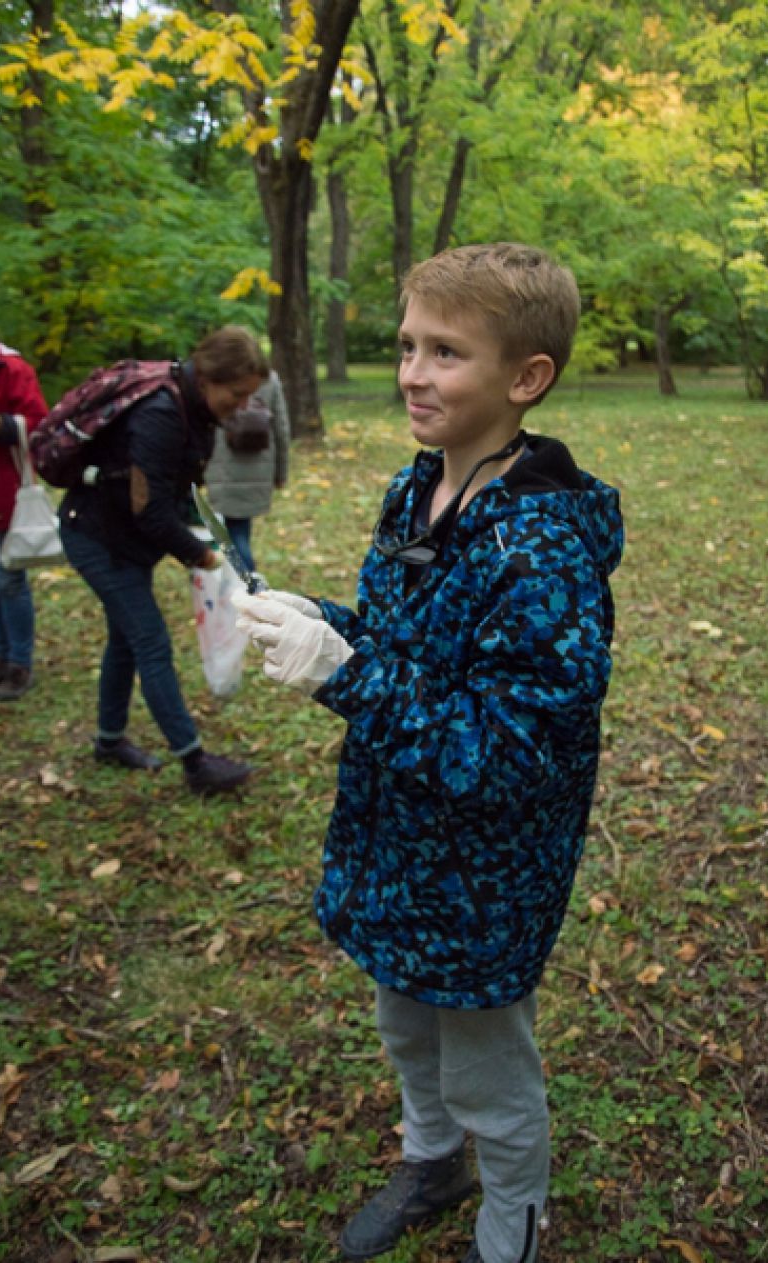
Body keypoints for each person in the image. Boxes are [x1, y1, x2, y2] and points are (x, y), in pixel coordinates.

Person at [233, 242, 624, 1263]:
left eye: (446, 352)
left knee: (489, 1070)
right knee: (406, 1025)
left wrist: (343, 673)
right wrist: (317, 621)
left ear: (524, 378)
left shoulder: (543, 552)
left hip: (485, 877)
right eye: (407, 345)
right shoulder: (419, 489)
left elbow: (509, 753)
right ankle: (432, 1159)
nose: (411, 372)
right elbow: (407, 650)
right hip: (395, 842)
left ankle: (512, 1222)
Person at [59, 325, 264, 795]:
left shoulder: (193, 410)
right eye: (236, 394)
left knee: (127, 639)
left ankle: (109, 741)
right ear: (210, 378)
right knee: (150, 642)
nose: (241, 405)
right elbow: (148, 507)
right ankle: (195, 764)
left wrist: (199, 533)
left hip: (127, 540)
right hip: (97, 537)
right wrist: (199, 555)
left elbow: (174, 490)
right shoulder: (161, 414)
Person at [0, 316, 49, 702]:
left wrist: (2, 425)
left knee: (6, 575)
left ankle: (20, 663)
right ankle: (1, 656)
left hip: (4, 488)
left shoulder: (11, 369)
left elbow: (41, 423)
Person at [204, 355, 290, 573]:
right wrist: (280, 472)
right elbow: (281, 428)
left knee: (235, 535)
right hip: (259, 467)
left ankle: (247, 588)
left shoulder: (219, 381)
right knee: (240, 529)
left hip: (223, 468)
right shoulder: (269, 380)